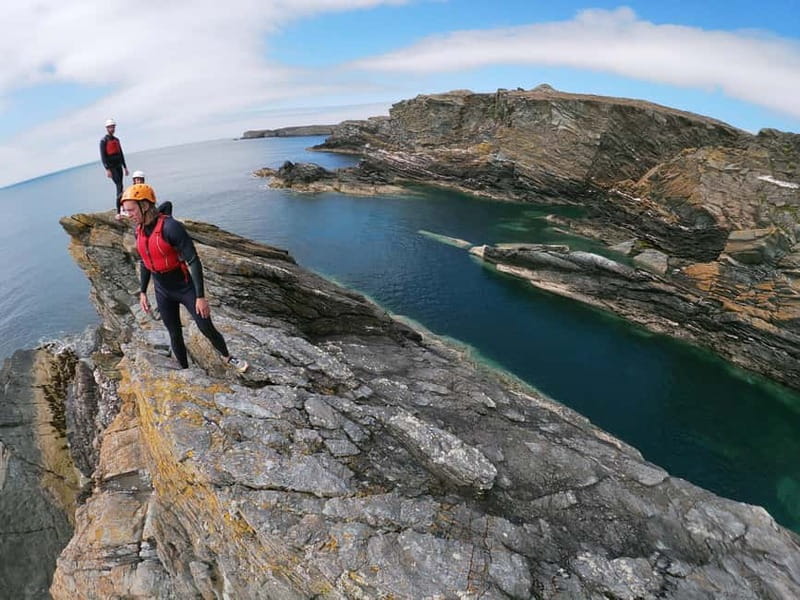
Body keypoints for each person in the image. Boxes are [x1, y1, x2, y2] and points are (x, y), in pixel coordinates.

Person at [119, 183, 248, 373]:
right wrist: (143, 292)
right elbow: (145, 261)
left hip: (184, 287)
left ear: (145, 206)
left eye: (131, 210)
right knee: (174, 333)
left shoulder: (171, 227)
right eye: (126, 210)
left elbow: (193, 261)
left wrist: (200, 297)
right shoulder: (138, 229)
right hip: (162, 290)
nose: (127, 214)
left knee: (205, 326)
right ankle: (185, 370)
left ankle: (228, 357)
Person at [100, 119, 129, 213]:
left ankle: (122, 206)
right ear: (107, 128)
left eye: (113, 127)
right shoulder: (104, 140)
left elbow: (121, 153)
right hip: (112, 167)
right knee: (119, 186)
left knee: (121, 185)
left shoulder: (116, 140)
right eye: (110, 127)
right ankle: (119, 211)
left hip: (118, 166)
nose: (112, 129)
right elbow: (103, 156)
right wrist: (107, 169)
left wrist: (125, 167)